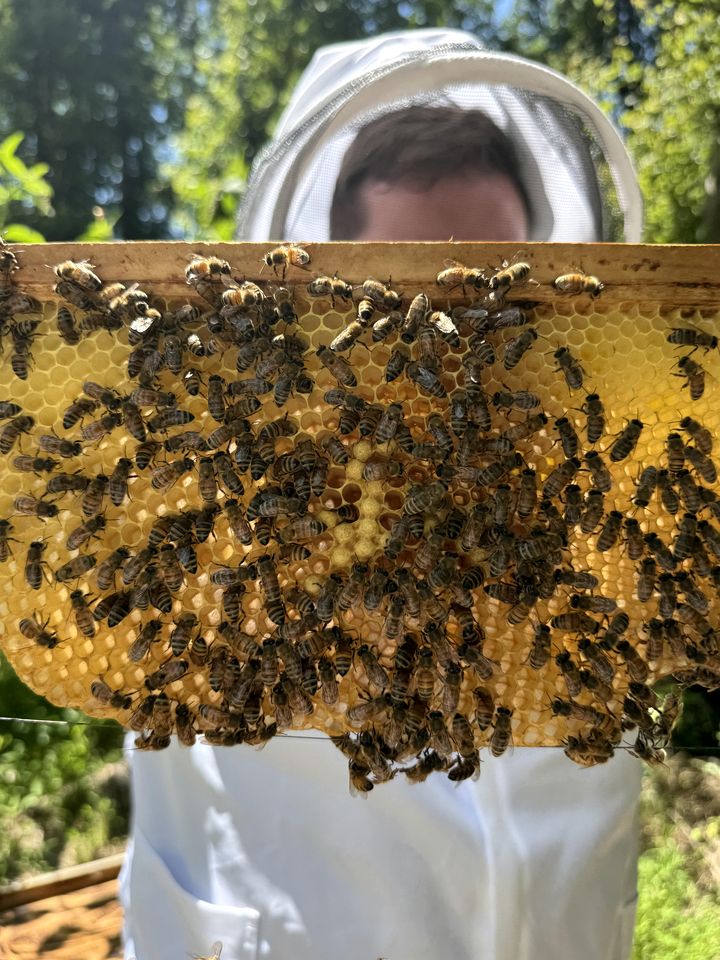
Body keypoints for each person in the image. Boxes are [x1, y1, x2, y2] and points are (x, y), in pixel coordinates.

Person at [121, 28, 644, 960]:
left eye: (497, 283)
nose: (457, 327)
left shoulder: (603, 523)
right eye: (402, 290)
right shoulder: (206, 506)